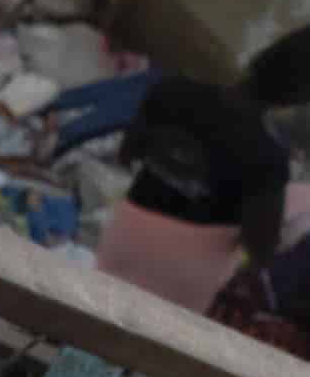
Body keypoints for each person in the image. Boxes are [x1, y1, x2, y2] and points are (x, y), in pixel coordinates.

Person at [97, 23, 310, 321]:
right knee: (138, 345)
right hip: (185, 272)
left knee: (90, 321)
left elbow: (127, 153)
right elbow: (260, 247)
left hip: (127, 237)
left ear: (262, 57)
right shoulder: (267, 160)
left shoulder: (172, 92)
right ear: (298, 96)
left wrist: (177, 170)